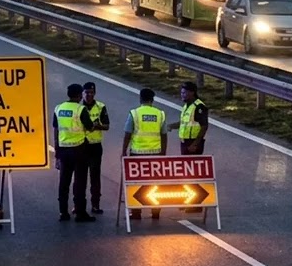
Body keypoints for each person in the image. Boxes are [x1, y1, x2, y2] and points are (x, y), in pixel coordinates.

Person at [121, 87, 167, 220]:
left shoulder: (134, 113)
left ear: (140, 99)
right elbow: (164, 135)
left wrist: (124, 151)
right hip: (156, 154)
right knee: (154, 183)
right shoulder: (160, 114)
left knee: (136, 183)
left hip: (137, 154)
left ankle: (136, 212)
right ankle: (155, 211)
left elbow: (127, 134)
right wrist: (163, 152)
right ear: (152, 100)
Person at [53, 83, 95, 222]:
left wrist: (57, 153)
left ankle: (63, 213)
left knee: (64, 182)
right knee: (80, 182)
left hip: (63, 149)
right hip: (79, 149)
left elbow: (56, 130)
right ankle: (80, 212)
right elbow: (90, 127)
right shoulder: (80, 109)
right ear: (79, 95)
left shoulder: (58, 108)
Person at [167, 80, 209, 212]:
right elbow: (184, 123)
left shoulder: (199, 106)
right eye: (181, 92)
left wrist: (195, 144)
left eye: (185, 92)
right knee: (186, 173)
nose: (182, 94)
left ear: (192, 92)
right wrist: (171, 126)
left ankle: (196, 204)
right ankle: (188, 201)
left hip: (193, 144)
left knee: (192, 174)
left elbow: (204, 126)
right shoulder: (187, 106)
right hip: (185, 143)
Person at [79, 81, 110, 214]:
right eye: (86, 93)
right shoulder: (78, 108)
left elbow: (107, 126)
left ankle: (95, 204)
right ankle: (79, 205)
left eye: (92, 92)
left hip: (95, 146)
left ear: (95, 93)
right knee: (81, 177)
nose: (89, 95)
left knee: (95, 177)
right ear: (82, 94)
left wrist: (95, 126)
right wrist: (92, 125)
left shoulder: (101, 107)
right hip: (81, 145)